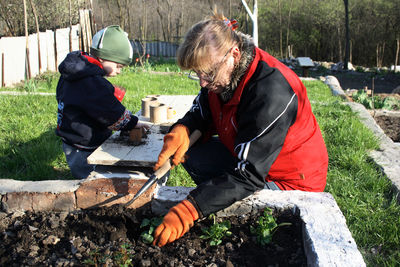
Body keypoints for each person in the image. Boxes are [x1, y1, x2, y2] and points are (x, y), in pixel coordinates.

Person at [152, 12, 329, 247]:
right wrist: (183, 129)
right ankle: (217, 200)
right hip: (250, 155)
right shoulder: (220, 76)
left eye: (208, 74)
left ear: (234, 54)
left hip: (290, 178)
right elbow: (202, 112)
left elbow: (249, 174)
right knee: (193, 155)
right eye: (197, 74)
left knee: (241, 211)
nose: (203, 83)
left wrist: (191, 209)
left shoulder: (271, 92)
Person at [55, 25, 149, 179]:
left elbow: (83, 99)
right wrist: (131, 123)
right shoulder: (91, 81)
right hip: (84, 145)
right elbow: (109, 111)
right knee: (91, 181)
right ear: (104, 57)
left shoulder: (77, 72)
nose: (119, 71)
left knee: (84, 173)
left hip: (72, 137)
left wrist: (108, 92)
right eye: (118, 66)